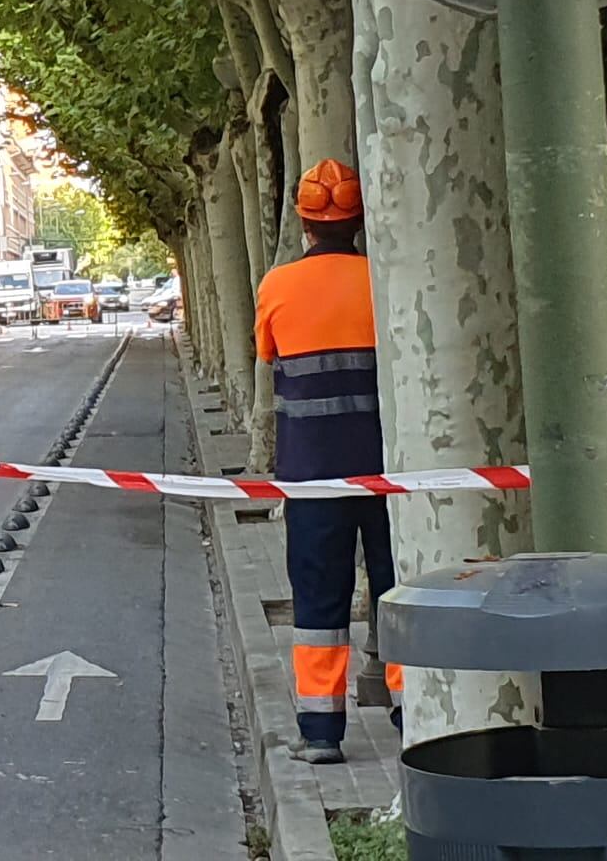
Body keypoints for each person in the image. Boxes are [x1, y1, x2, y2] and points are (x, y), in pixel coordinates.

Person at [254, 159, 402, 765]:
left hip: (312, 475)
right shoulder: (387, 281)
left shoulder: (277, 286)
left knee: (319, 599)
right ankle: (413, 714)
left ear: (304, 220)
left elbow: (268, 356)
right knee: (398, 590)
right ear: (360, 219)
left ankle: (320, 732)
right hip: (392, 472)